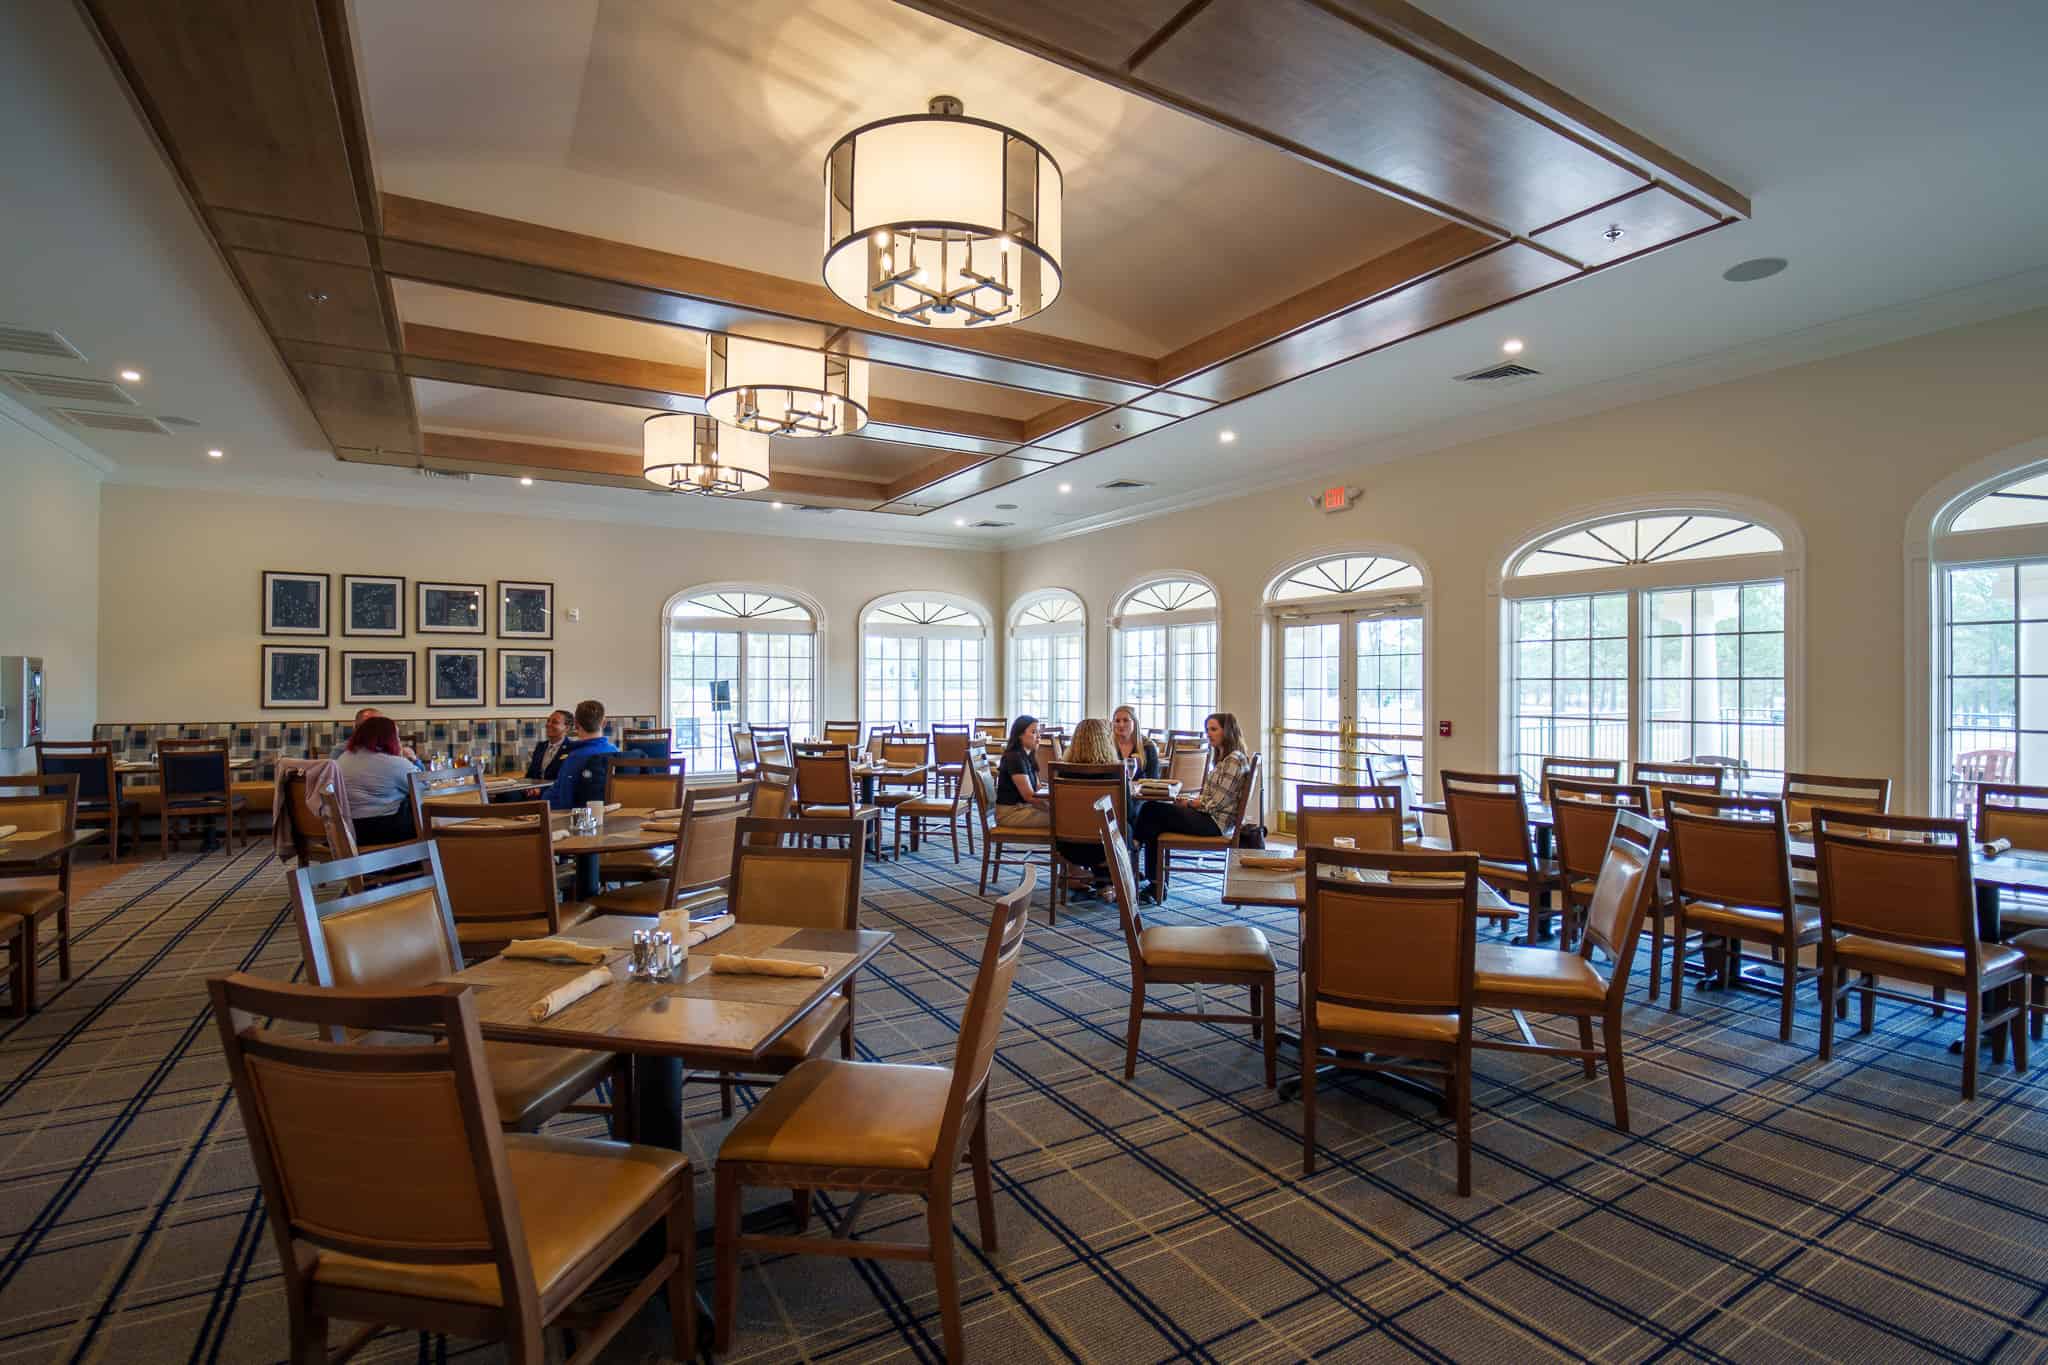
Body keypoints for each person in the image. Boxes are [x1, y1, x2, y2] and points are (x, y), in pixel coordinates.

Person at [1131, 712, 1252, 903]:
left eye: (1214, 729)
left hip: (1215, 823)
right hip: (1210, 817)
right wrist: (1190, 800)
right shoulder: (1225, 757)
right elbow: (1213, 797)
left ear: (1227, 731)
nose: (1209, 734)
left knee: (1151, 810)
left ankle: (1135, 845)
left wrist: (1190, 803)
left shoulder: (1234, 760)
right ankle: (1155, 884)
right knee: (1154, 820)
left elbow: (1218, 802)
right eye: (1207, 730)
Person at [1055, 717, 1127, 894]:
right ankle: (1114, 883)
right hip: (1108, 848)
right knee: (1126, 826)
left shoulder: (1063, 772)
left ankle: (1097, 882)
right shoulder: (1114, 773)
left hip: (1068, 846)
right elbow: (1127, 814)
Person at [334, 715, 419, 847]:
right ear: (389, 738)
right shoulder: (393, 763)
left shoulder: (343, 758)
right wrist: (412, 759)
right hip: (383, 830)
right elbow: (424, 788)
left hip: (349, 829)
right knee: (426, 817)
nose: (398, 740)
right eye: (396, 736)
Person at [545, 699, 619, 811]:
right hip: (611, 813)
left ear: (576, 724)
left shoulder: (574, 758)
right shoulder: (615, 751)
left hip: (573, 817)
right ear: (604, 723)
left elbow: (565, 802)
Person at [993, 714, 1050, 828]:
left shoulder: (1027, 755)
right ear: (1020, 735)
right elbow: (1029, 796)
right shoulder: (1014, 758)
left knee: (1064, 815)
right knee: (1063, 818)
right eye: (1034, 732)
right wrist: (1051, 808)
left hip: (1024, 808)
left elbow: (1038, 788)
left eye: (1039, 732)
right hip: (1010, 813)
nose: (1039, 736)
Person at [330, 707, 419, 765]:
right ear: (356, 727)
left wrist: (414, 760)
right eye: (367, 726)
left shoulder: (391, 748)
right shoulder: (341, 751)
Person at [1111, 705, 1161, 779]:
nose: (1121, 725)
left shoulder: (1148, 747)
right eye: (1117, 721)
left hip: (1141, 790)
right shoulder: (1107, 746)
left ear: (1134, 722)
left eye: (1125, 720)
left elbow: (1153, 778)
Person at [525, 708, 573, 780]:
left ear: (567, 727)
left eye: (555, 722)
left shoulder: (572, 749)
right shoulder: (540, 746)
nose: (548, 724)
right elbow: (530, 774)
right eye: (548, 721)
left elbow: (568, 780)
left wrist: (540, 790)